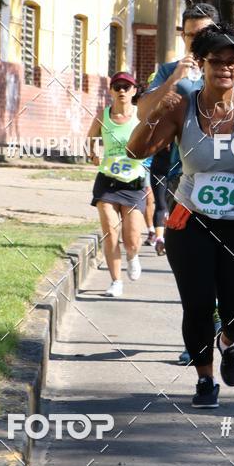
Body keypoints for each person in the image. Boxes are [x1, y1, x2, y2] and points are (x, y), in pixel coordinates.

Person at [127, 23, 234, 407]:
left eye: (233, 62)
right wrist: (155, 115)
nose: (226, 68)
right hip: (192, 220)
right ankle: (205, 379)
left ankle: (229, 341)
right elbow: (136, 152)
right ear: (201, 64)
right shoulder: (183, 105)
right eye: (216, 61)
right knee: (197, 304)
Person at [139, 2, 234, 364]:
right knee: (197, 291)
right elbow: (143, 114)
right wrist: (175, 79)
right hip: (184, 183)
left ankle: (228, 336)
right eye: (191, 35)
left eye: (203, 33)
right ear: (184, 37)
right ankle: (201, 353)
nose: (197, 40)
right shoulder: (167, 70)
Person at [87, 71, 146, 298]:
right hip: (107, 181)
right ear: (111, 90)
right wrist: (92, 153)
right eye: (117, 86)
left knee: (131, 239)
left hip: (133, 181)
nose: (122, 90)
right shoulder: (103, 116)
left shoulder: (140, 116)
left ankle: (132, 256)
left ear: (133, 91)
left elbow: (153, 140)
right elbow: (91, 137)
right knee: (110, 232)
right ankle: (115, 281)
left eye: (126, 87)